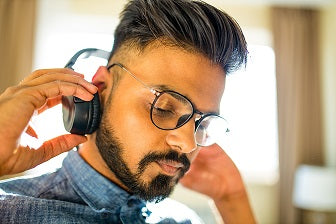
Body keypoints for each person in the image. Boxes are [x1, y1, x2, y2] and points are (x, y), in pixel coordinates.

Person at [0, 0, 256, 223]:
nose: (188, 144)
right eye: (165, 107)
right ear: (100, 88)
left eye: (203, 123)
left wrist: (233, 200)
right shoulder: (9, 212)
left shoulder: (185, 220)